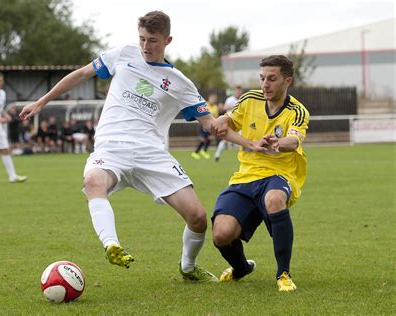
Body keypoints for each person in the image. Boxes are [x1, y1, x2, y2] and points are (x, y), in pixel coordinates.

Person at [19, 11, 265, 282]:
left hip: (151, 153)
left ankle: (188, 267)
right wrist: (41, 102)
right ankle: (111, 245)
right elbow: (81, 74)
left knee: (197, 216)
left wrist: (251, 142)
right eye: (142, 39)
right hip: (111, 147)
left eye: (153, 41)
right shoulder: (124, 54)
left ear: (168, 40)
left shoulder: (180, 83)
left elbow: (212, 125)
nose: (146, 46)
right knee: (93, 182)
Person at [210, 55, 310, 291]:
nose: (265, 84)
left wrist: (277, 142)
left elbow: (293, 141)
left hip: (280, 174)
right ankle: (242, 267)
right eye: (262, 78)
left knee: (274, 199)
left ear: (287, 81)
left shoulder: (297, 111)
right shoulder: (249, 99)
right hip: (246, 177)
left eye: (272, 79)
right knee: (221, 234)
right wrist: (223, 119)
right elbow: (230, 122)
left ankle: (283, 274)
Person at [214, 86, 244, 162]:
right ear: (235, 92)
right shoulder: (230, 99)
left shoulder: (243, 100)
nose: (238, 93)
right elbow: (224, 108)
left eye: (239, 92)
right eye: (237, 91)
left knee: (243, 139)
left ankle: (243, 157)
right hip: (230, 122)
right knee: (225, 140)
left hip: (240, 123)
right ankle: (217, 154)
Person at [191, 93, 219, 159]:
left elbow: (216, 117)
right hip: (202, 124)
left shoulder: (215, 107)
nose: (213, 100)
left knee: (210, 138)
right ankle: (195, 152)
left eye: (214, 99)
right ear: (209, 99)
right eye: (212, 99)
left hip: (211, 125)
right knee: (203, 139)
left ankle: (204, 151)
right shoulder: (205, 104)